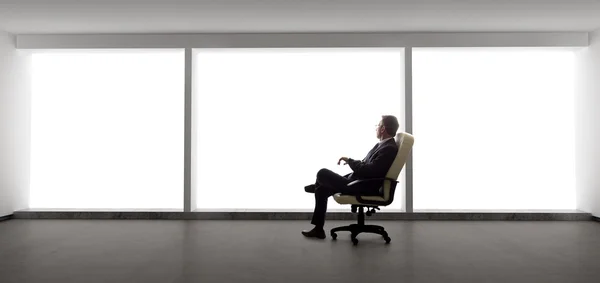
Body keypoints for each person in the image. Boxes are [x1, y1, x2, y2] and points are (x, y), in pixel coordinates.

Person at [302, 115, 400, 239]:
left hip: (363, 186)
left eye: (378, 125)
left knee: (322, 173)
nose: (376, 128)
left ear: (383, 129)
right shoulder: (381, 145)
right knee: (322, 190)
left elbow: (369, 171)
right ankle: (318, 229)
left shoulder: (389, 149)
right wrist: (352, 162)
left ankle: (318, 184)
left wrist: (350, 161)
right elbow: (365, 165)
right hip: (358, 181)